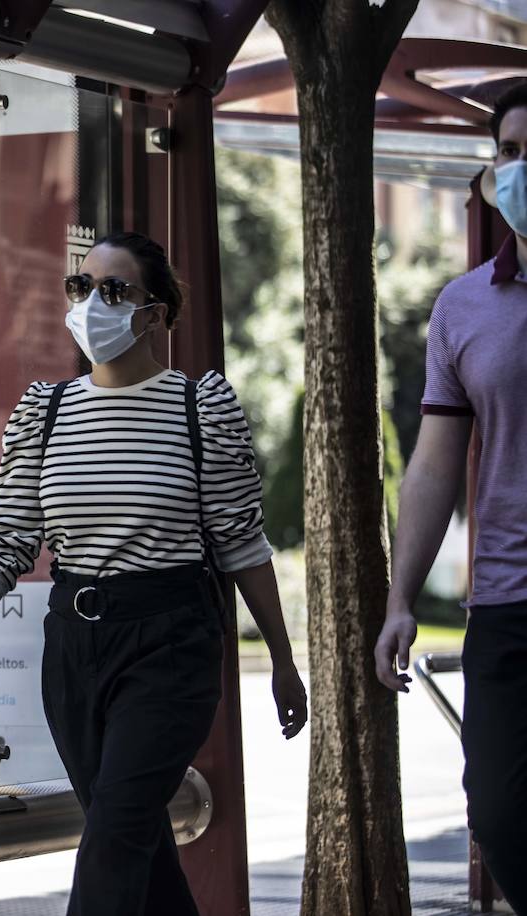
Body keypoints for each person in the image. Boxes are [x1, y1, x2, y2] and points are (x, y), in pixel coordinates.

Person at [0, 231, 308, 916]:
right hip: (74, 645)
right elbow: (6, 540)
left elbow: (242, 542)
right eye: (82, 287)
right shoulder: (47, 411)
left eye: (115, 290)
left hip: (171, 641)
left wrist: (281, 660)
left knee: (112, 839)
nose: (93, 302)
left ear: (155, 312)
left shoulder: (199, 407)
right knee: (134, 843)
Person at [374, 81, 527, 913]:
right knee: (501, 816)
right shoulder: (465, 305)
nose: (520, 169)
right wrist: (401, 598)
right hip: (506, 604)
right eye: (509, 153)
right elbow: (436, 464)